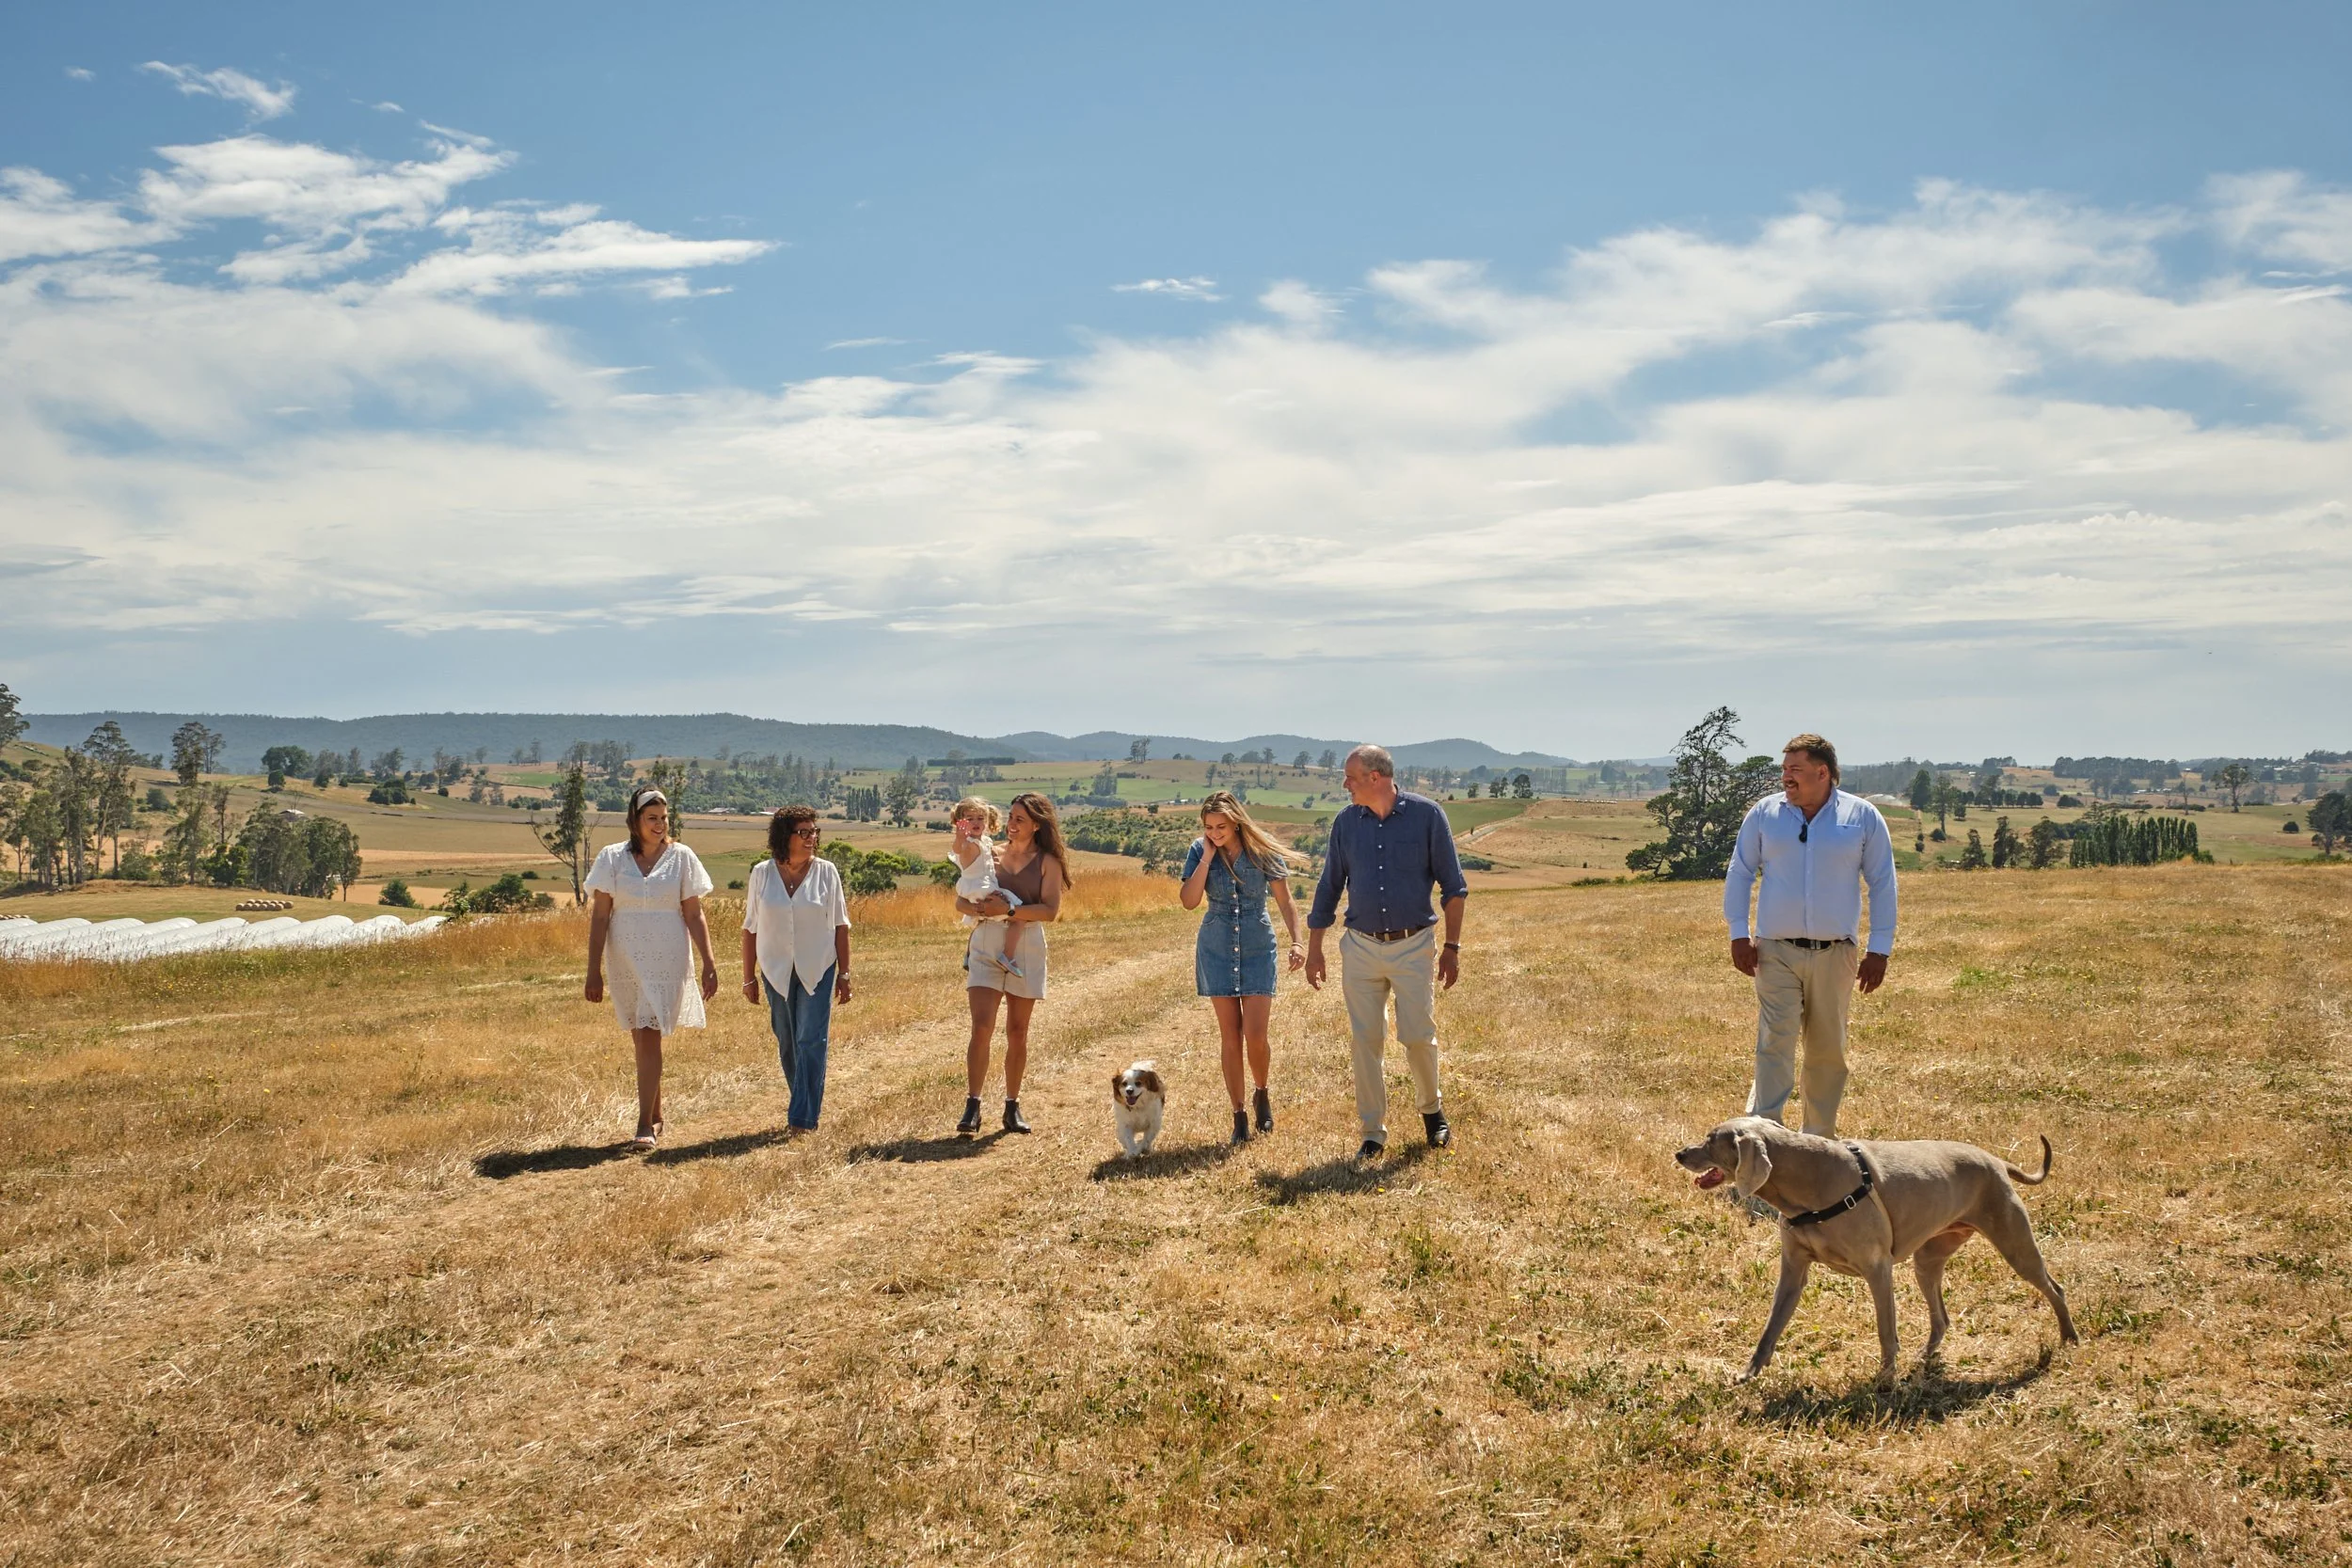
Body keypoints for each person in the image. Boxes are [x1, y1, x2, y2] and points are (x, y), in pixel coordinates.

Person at [1723, 733, 1898, 1138]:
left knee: (1827, 1050)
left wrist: (1880, 950)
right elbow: (1740, 872)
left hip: (1837, 953)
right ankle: (1762, 1135)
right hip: (1774, 951)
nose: (1786, 777)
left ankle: (1819, 1140)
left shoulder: (1862, 817)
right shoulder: (1764, 814)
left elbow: (1883, 883)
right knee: (1774, 1043)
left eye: (1795, 770)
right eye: (1784, 770)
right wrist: (1737, 934)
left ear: (1823, 772)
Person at [1304, 745, 1469, 1163]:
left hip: (1414, 945)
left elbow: (1454, 887)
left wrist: (1451, 947)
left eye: (1350, 777)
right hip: (1360, 947)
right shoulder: (1345, 823)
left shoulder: (1428, 816)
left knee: (1417, 1036)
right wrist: (1316, 948)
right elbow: (1329, 886)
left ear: (1375, 777)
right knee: (1365, 1041)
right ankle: (1372, 1132)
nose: (1344, 784)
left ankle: (1432, 1112)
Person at [583, 787, 718, 1150]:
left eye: (664, 818)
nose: (660, 825)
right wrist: (592, 970)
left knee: (648, 1031)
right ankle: (656, 1115)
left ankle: (644, 1124)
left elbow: (694, 913)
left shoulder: (682, 857)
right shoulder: (612, 858)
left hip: (668, 957)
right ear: (635, 820)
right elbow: (599, 917)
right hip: (624, 957)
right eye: (652, 818)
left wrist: (708, 961)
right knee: (641, 1035)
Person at [1179, 790, 1305, 1145]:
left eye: (1221, 826)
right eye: (1208, 827)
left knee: (1256, 1035)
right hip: (1216, 944)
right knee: (1229, 1036)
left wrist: (1297, 941)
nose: (1215, 832)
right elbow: (1189, 902)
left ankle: (1261, 1091)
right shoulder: (1198, 850)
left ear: (1236, 821)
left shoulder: (1261, 851)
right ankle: (1238, 1116)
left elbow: (1285, 901)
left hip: (1256, 943)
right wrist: (1205, 857)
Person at [953, 791, 1070, 1135]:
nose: (1011, 824)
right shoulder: (988, 852)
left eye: (1020, 819)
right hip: (986, 942)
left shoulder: (1049, 862)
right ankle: (972, 1105)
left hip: (1027, 946)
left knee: (1018, 1031)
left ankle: (1011, 1106)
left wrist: (1010, 910)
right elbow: (960, 899)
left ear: (1037, 825)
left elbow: (1050, 911)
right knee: (981, 1027)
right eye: (1011, 817)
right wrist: (975, 910)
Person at [739, 804, 853, 1132]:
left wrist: (844, 973)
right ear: (784, 837)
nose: (811, 838)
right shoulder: (761, 873)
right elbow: (750, 928)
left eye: (814, 832)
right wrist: (748, 977)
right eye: (803, 832)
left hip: (818, 966)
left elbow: (840, 926)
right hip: (775, 970)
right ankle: (802, 1100)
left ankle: (803, 1118)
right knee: (787, 1041)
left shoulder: (826, 872)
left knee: (810, 1039)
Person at [946, 797, 1025, 978]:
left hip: (983, 885)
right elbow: (958, 849)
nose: (976, 822)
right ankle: (1008, 956)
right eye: (970, 818)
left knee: (980, 920)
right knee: (1019, 915)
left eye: (980, 818)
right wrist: (959, 837)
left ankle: (969, 954)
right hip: (979, 886)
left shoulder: (985, 841)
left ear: (988, 820)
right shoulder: (967, 843)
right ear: (961, 822)